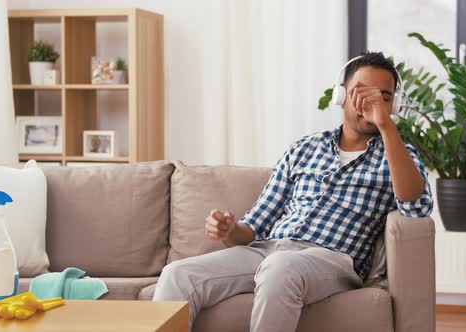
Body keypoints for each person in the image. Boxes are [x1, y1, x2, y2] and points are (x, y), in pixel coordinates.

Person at [153, 52, 434, 332]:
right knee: (178, 274)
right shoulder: (304, 148)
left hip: (332, 259)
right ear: (341, 96)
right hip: (269, 250)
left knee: (281, 267)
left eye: (383, 98)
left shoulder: (398, 154)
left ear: (394, 105)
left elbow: (417, 207)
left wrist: (385, 125)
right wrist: (231, 231)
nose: (371, 105)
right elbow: (257, 223)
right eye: (362, 94)